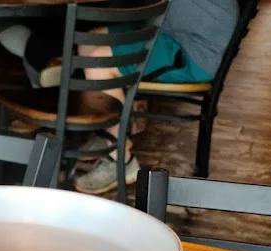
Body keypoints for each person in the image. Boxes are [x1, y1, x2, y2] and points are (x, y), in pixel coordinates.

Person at [71, 0, 240, 194]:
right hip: (176, 27)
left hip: (195, 50)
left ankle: (121, 161)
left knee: (100, 60)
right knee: (90, 40)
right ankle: (110, 134)